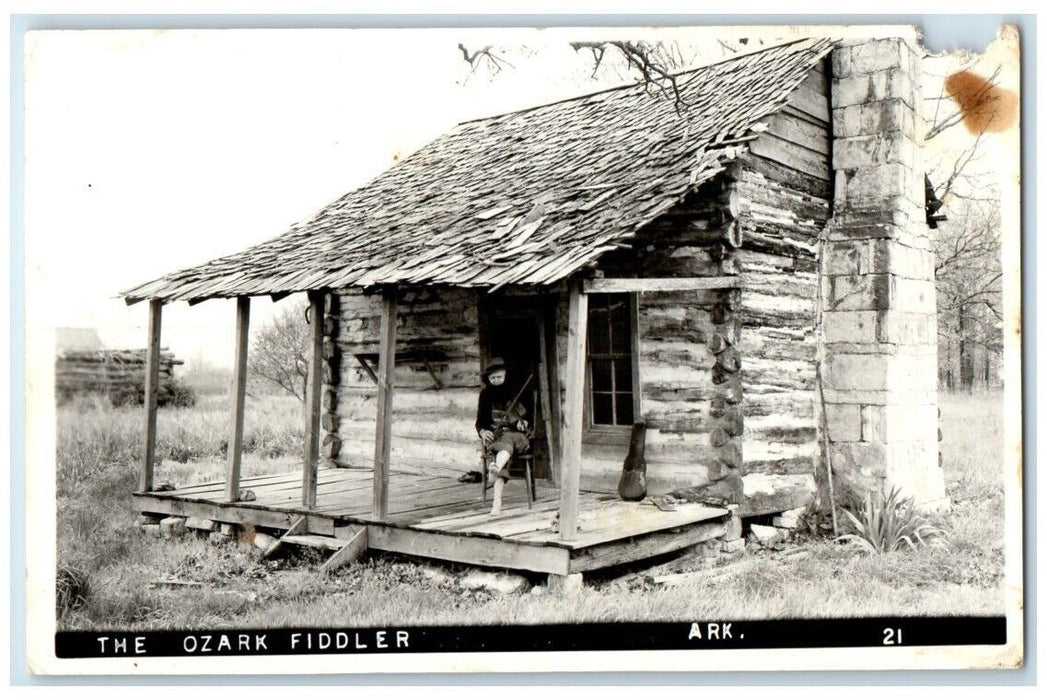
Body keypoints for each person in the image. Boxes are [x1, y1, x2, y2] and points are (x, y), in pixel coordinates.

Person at [475, 357, 531, 515]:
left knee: (507, 443)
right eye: (492, 378)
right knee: (502, 453)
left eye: (499, 377)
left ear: (505, 375)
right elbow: (480, 421)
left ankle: (495, 471)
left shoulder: (516, 391)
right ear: (488, 379)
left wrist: (523, 423)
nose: (496, 380)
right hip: (498, 438)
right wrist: (483, 431)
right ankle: (496, 501)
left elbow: (528, 418)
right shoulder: (485, 395)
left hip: (518, 437)